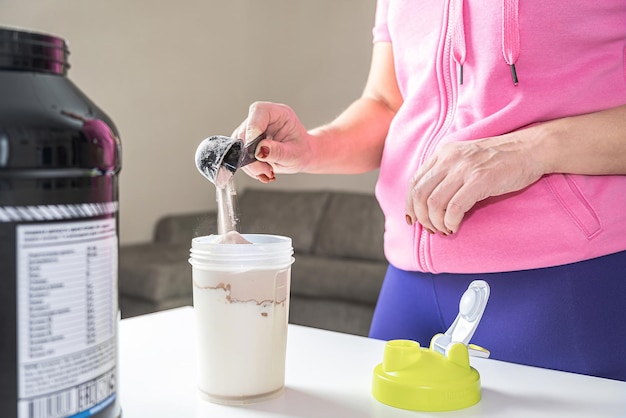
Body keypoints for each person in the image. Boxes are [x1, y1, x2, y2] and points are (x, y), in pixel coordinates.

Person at [231, 0, 626, 381]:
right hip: (408, 283)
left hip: (565, 281)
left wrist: (532, 149)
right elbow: (388, 103)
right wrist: (312, 148)